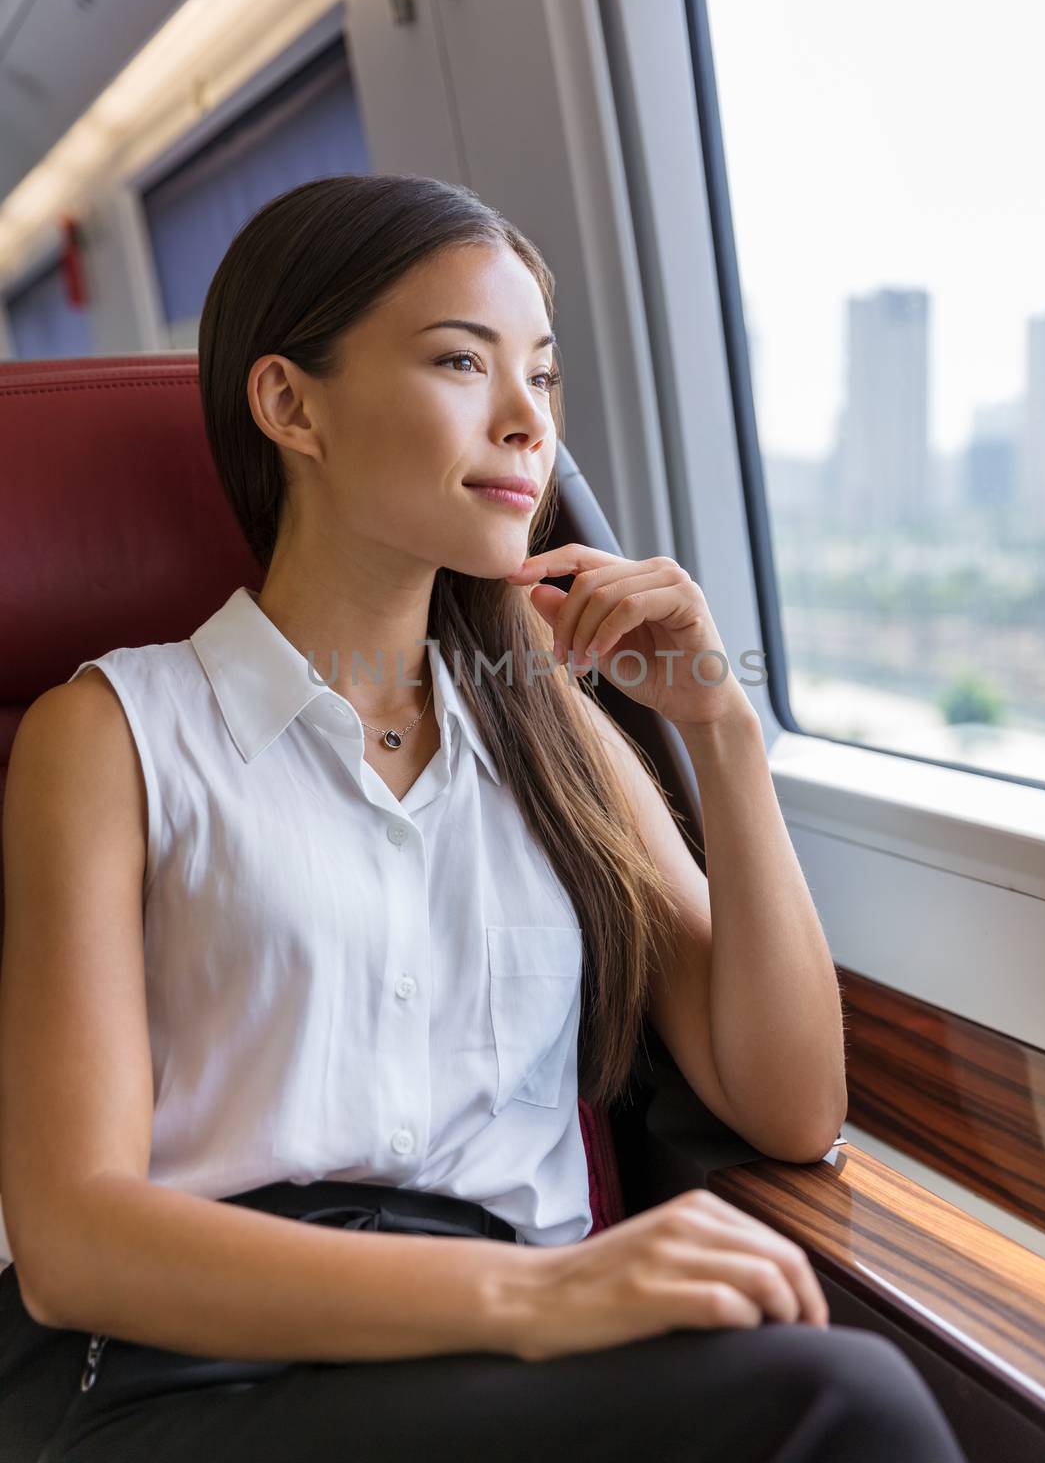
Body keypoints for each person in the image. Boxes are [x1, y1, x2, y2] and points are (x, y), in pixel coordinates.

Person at [0, 173, 967, 1461]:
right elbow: (73, 1244)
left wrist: (722, 734)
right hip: (187, 1379)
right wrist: (548, 1293)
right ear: (291, 404)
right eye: (465, 362)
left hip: (494, 1368)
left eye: (545, 377)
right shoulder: (108, 736)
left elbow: (789, 1110)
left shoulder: (553, 735)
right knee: (844, 1406)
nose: (531, 425)